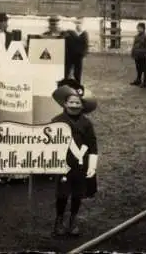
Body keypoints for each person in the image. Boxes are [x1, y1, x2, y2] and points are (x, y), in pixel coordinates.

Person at [51, 78, 98, 237]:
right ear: (64, 103)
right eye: (71, 102)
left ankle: (73, 219)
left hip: (81, 166)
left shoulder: (87, 124)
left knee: (78, 195)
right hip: (64, 165)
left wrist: (92, 166)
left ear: (83, 106)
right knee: (62, 195)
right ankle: (59, 219)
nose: (74, 105)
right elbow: (49, 143)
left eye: (78, 103)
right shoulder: (57, 121)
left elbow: (92, 145)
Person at [65, 17, 89, 83]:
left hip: (78, 57)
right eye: (77, 23)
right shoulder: (70, 33)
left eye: (80, 23)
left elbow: (86, 45)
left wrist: (83, 54)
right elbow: (66, 43)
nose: (78, 25)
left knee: (77, 73)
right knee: (67, 72)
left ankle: (77, 85)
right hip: (69, 56)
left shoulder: (84, 34)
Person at [130, 22, 146, 88]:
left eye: (140, 28)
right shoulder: (136, 36)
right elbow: (134, 46)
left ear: (144, 29)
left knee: (145, 69)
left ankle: (145, 82)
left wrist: (144, 54)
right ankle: (138, 80)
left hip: (143, 56)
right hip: (137, 55)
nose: (139, 29)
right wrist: (133, 53)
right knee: (138, 68)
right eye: (138, 28)